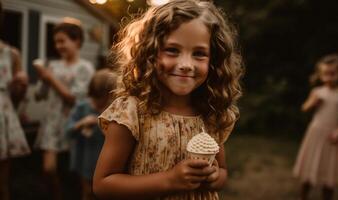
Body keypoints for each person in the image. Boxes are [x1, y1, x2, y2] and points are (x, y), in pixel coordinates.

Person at [93, 0, 243, 199]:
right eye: (172, 50)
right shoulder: (132, 113)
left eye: (199, 54)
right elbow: (103, 184)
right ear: (150, 53)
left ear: (213, 60)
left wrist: (214, 176)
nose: (186, 64)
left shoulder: (210, 112)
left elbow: (222, 172)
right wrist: (170, 180)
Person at [33, 20, 95, 200]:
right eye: (56, 42)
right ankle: (57, 194)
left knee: (74, 170)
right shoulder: (53, 67)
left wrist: (50, 78)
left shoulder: (85, 68)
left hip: (74, 122)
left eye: (62, 41)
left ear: (76, 41)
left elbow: (74, 98)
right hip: (52, 122)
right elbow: (39, 95)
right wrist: (43, 79)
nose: (58, 46)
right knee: (49, 168)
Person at [293, 54, 338, 200]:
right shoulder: (317, 92)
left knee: (329, 175)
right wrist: (313, 104)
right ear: (320, 74)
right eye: (325, 73)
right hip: (315, 133)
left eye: (333, 73)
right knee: (308, 172)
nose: (329, 77)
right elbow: (304, 108)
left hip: (332, 136)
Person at [65, 69, 116, 200]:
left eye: (104, 98)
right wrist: (82, 123)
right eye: (95, 97)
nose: (99, 102)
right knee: (88, 192)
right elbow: (68, 131)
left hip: (108, 162)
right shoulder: (82, 107)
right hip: (85, 159)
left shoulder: (114, 110)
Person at [0, 2, 31, 200]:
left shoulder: (11, 54)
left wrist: (22, 86)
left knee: (3, 178)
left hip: (3, 113)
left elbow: (17, 98)